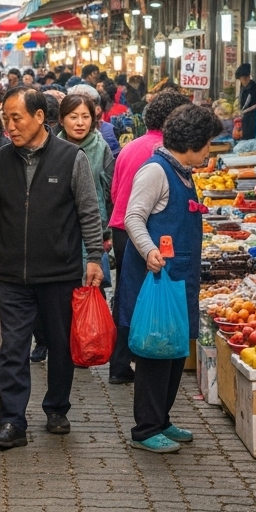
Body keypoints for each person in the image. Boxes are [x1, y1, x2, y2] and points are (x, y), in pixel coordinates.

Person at [0, 87, 106, 449]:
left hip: (60, 272)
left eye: (16, 118)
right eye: (6, 119)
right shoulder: (1, 160)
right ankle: (12, 422)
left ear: (39, 117)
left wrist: (93, 256)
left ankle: (56, 408)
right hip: (11, 274)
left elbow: (88, 211)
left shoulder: (71, 158)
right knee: (13, 348)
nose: (10, 126)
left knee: (61, 346)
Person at [117, 104, 223, 453]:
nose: (209, 151)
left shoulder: (182, 171)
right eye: (207, 143)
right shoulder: (156, 171)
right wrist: (149, 251)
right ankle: (145, 428)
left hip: (178, 277)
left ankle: (162, 418)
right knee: (154, 351)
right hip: (156, 277)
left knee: (175, 349)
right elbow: (134, 217)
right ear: (192, 142)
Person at [105, 90, 190, 384]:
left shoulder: (131, 147)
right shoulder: (166, 154)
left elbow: (115, 191)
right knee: (145, 298)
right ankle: (144, 356)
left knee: (127, 296)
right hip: (146, 234)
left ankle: (119, 362)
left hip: (120, 227)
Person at [58, 93, 114, 226]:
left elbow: (111, 192)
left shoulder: (101, 148)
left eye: (85, 117)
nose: (80, 123)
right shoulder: (53, 149)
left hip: (96, 225)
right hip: (61, 225)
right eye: (73, 117)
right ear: (61, 120)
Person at [232, 64, 256, 140]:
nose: (242, 81)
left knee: (249, 136)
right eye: (241, 80)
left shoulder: (255, 88)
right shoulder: (242, 87)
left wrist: (244, 111)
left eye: (243, 79)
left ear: (248, 77)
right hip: (243, 116)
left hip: (252, 116)